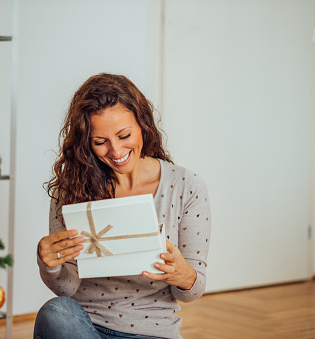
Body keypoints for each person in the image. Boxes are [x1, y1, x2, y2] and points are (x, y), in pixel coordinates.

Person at [34, 73, 211, 339]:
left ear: (143, 124)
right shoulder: (71, 188)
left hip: (152, 332)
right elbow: (66, 288)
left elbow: (192, 291)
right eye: (100, 142)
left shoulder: (186, 186)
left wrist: (183, 274)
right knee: (56, 312)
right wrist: (50, 265)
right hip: (84, 328)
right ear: (86, 143)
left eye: (124, 135)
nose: (116, 151)